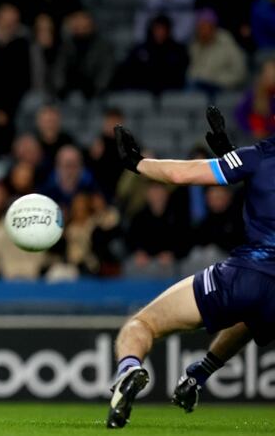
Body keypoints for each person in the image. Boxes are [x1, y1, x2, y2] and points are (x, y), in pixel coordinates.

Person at [105, 108, 275, 428]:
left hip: (248, 271)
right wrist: (234, 157)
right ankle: (198, 375)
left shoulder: (261, 156)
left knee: (143, 324)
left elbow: (183, 175)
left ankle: (128, 370)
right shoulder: (253, 159)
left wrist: (137, 163)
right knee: (254, 314)